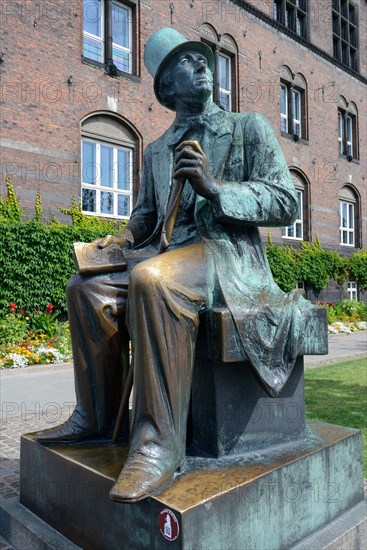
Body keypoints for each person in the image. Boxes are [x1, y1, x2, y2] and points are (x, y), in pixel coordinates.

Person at [37, 28, 312, 502]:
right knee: (86, 291)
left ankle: (157, 447)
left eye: (203, 59)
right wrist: (116, 240)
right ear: (166, 87)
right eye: (188, 60)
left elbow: (286, 201)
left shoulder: (248, 128)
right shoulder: (157, 150)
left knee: (154, 279)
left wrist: (217, 189)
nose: (203, 64)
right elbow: (143, 217)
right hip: (166, 253)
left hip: (225, 257)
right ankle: (97, 420)